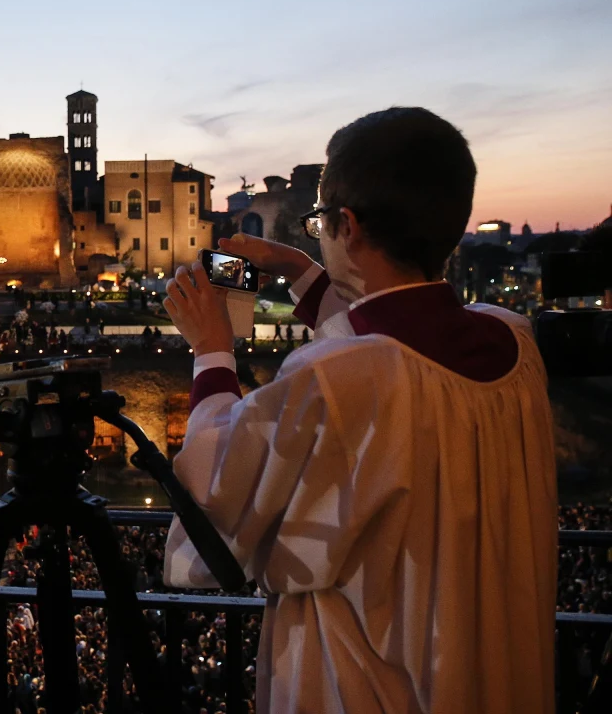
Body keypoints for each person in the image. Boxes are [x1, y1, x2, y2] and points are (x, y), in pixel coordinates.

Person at [162, 108, 556, 713]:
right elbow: (393, 355)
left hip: (367, 687)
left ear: (346, 224)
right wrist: (301, 272)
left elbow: (212, 527)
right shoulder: (514, 347)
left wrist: (212, 352)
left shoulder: (335, 378)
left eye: (320, 219)